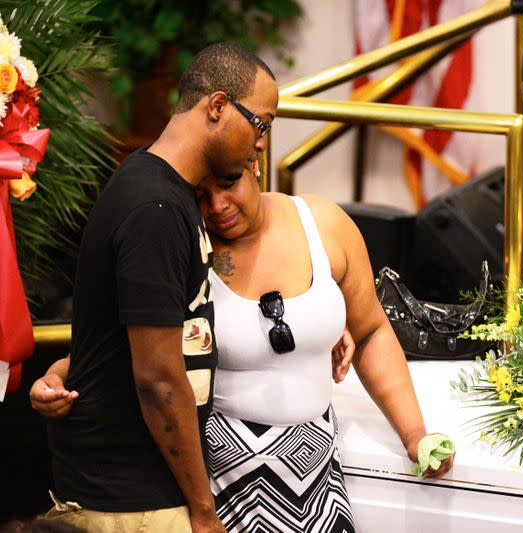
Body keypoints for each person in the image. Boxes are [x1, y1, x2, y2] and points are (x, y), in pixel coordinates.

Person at [32, 45, 454, 532]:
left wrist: (413, 431)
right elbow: (150, 349)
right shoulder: (176, 230)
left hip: (315, 477)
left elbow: (372, 329)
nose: (215, 205)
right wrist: (64, 369)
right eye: (201, 194)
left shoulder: (321, 224)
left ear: (255, 168)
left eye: (229, 182)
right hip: (210, 485)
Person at [34, 42, 279, 533]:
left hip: (135, 489)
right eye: (262, 124)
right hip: (131, 499)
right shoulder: (155, 208)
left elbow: (120, 333)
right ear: (217, 107)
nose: (260, 144)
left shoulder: (163, 191)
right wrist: (203, 509)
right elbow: (158, 379)